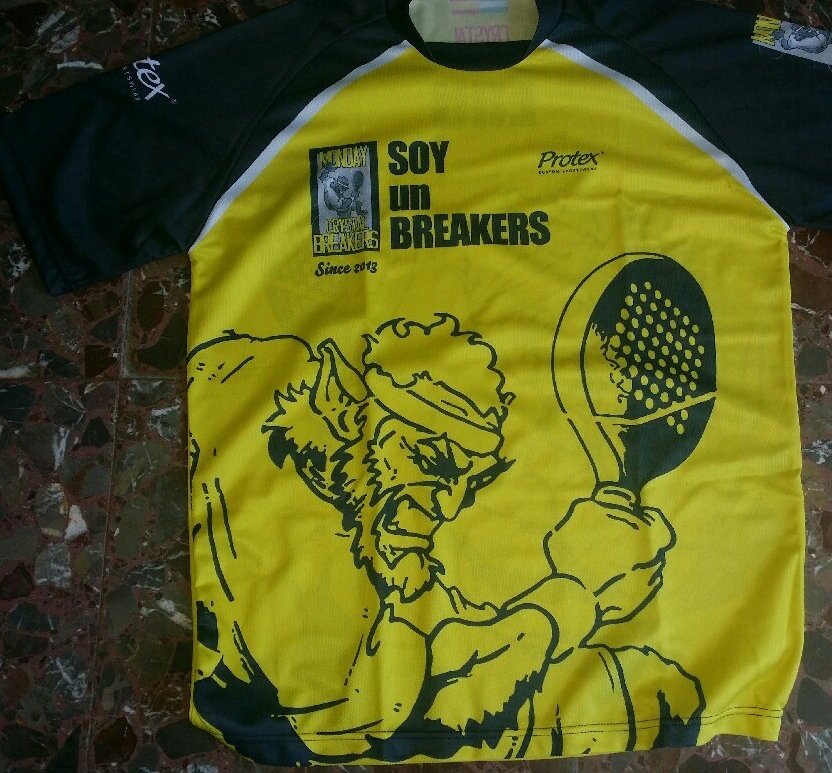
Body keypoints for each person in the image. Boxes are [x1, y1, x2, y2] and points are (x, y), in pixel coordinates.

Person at [186, 313, 703, 764]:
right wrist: (576, 594)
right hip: (269, 722)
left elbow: (449, 638)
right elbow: (377, 712)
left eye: (471, 481)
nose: (450, 505)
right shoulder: (265, 413)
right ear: (346, 405)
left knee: (656, 686)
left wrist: (582, 606)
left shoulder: (375, 516)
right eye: (436, 460)